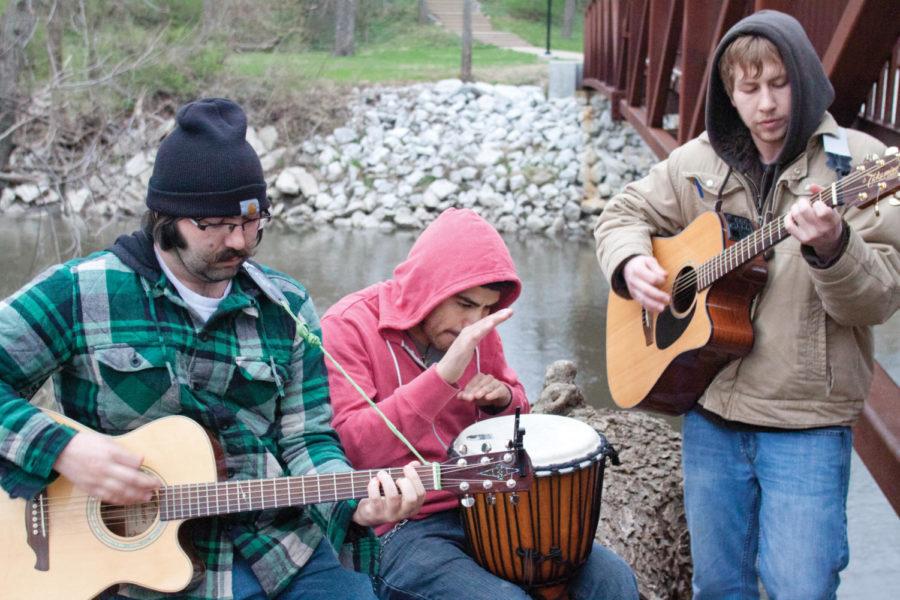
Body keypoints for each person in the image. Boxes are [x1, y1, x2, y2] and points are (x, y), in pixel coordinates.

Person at [0, 98, 425, 600]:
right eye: (218, 225)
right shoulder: (80, 292)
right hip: (128, 568)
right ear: (168, 219)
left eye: (252, 221)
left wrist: (355, 502)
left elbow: (306, 439)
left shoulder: (285, 306)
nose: (241, 242)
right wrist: (64, 450)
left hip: (271, 546)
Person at [594, 10, 899, 599]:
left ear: (805, 79)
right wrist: (631, 264)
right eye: (749, 87)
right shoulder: (699, 160)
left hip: (804, 424)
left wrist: (835, 246)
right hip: (709, 413)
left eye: (779, 83)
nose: (766, 104)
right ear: (728, 94)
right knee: (719, 587)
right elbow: (622, 213)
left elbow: (877, 300)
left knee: (800, 590)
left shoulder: (857, 164)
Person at [321, 207, 639, 599]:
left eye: (487, 308)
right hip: (399, 526)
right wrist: (441, 380)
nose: (476, 321)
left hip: (487, 508)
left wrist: (502, 402)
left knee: (613, 580)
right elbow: (355, 448)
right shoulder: (347, 326)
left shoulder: (477, 328)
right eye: (465, 304)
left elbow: (520, 411)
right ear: (427, 287)